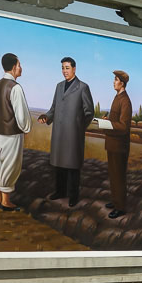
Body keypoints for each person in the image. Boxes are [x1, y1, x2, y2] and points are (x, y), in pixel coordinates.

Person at [38, 56, 93, 207]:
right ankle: (60, 191)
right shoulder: (59, 86)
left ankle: (74, 196)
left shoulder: (83, 87)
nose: (64, 71)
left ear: (74, 69)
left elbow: (89, 112)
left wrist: (79, 127)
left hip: (74, 133)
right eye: (62, 68)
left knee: (73, 165)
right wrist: (46, 117)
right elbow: (53, 108)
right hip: (59, 132)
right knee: (59, 164)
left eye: (67, 68)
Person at [0, 53, 32, 211]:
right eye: (19, 64)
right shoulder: (15, 87)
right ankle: (6, 202)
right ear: (14, 67)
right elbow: (21, 115)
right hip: (11, 134)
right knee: (10, 166)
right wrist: (26, 128)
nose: (21, 68)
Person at [102, 70, 132, 219]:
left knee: (119, 176)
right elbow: (115, 119)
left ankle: (120, 207)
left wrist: (108, 124)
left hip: (120, 146)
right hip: (113, 144)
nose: (113, 82)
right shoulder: (117, 97)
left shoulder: (125, 101)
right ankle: (115, 201)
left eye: (115, 80)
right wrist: (106, 120)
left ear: (122, 82)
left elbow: (123, 126)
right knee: (113, 175)